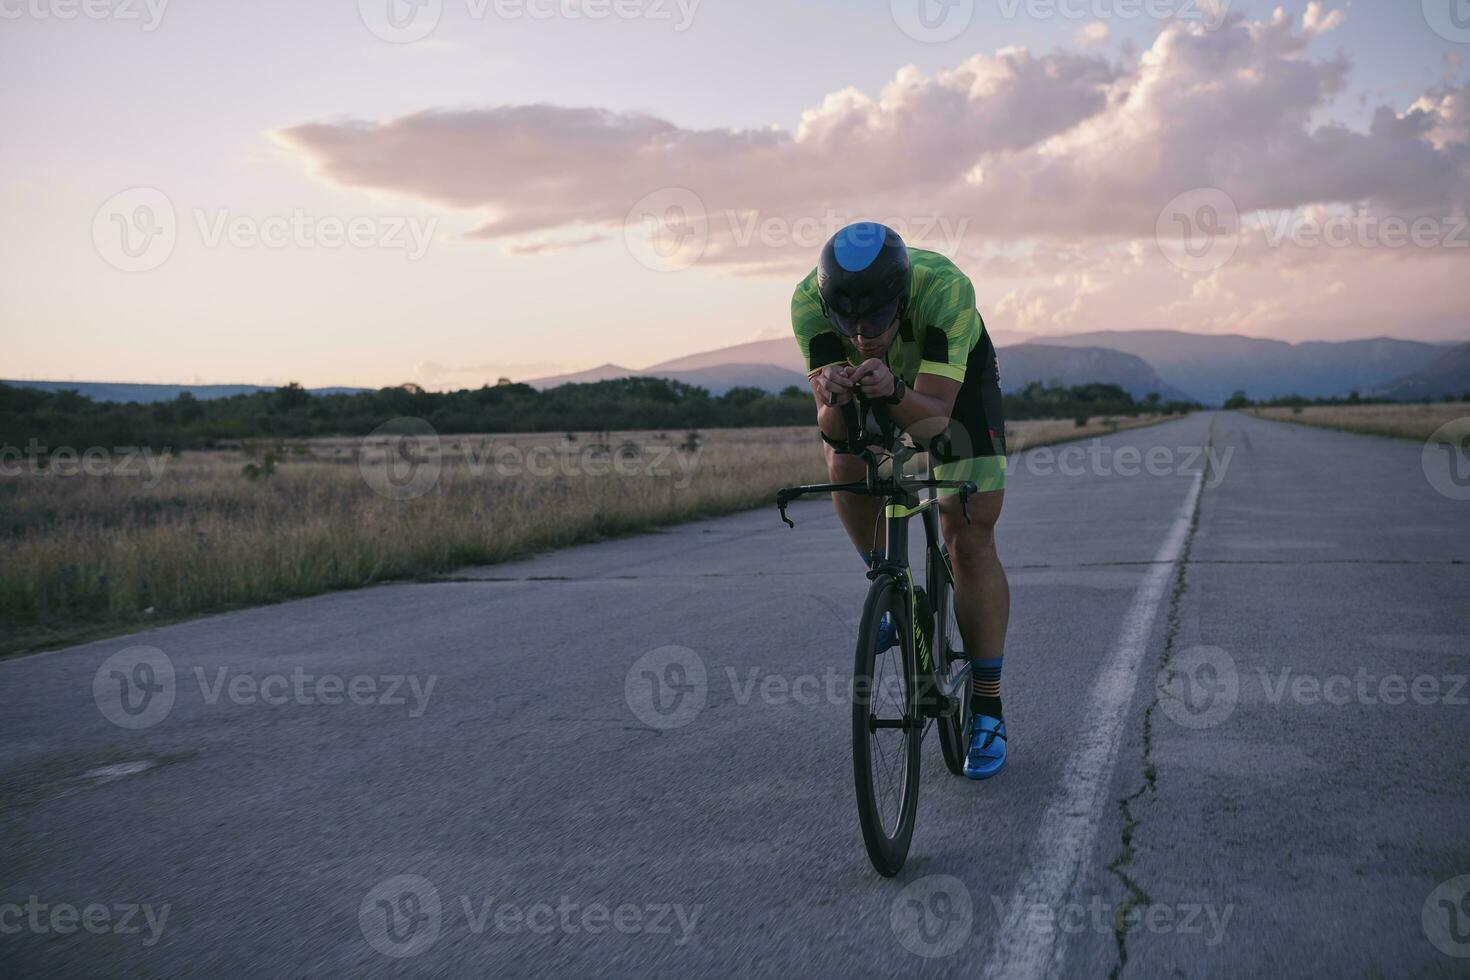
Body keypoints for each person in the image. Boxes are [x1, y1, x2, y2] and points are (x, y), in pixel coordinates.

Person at [790, 222, 1010, 779]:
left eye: (877, 321)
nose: (862, 335)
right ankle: (888, 582)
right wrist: (834, 398)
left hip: (953, 397)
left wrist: (891, 389)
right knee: (844, 460)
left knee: (968, 535)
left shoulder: (945, 291)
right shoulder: (807, 302)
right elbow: (832, 428)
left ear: (902, 299)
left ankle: (987, 706)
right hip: (876, 389)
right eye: (849, 325)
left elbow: (936, 421)